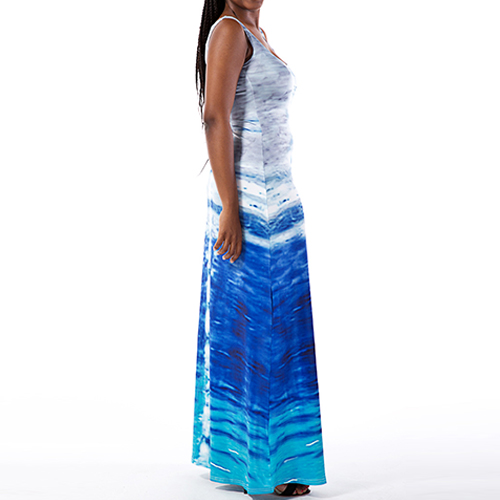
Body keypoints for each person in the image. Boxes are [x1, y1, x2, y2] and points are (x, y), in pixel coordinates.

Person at [192, 1, 327, 496]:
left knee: (279, 328)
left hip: (277, 199)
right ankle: (261, 467)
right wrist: (231, 207)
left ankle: (259, 457)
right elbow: (215, 117)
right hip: (248, 203)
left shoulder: (256, 31)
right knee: (258, 330)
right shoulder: (229, 30)